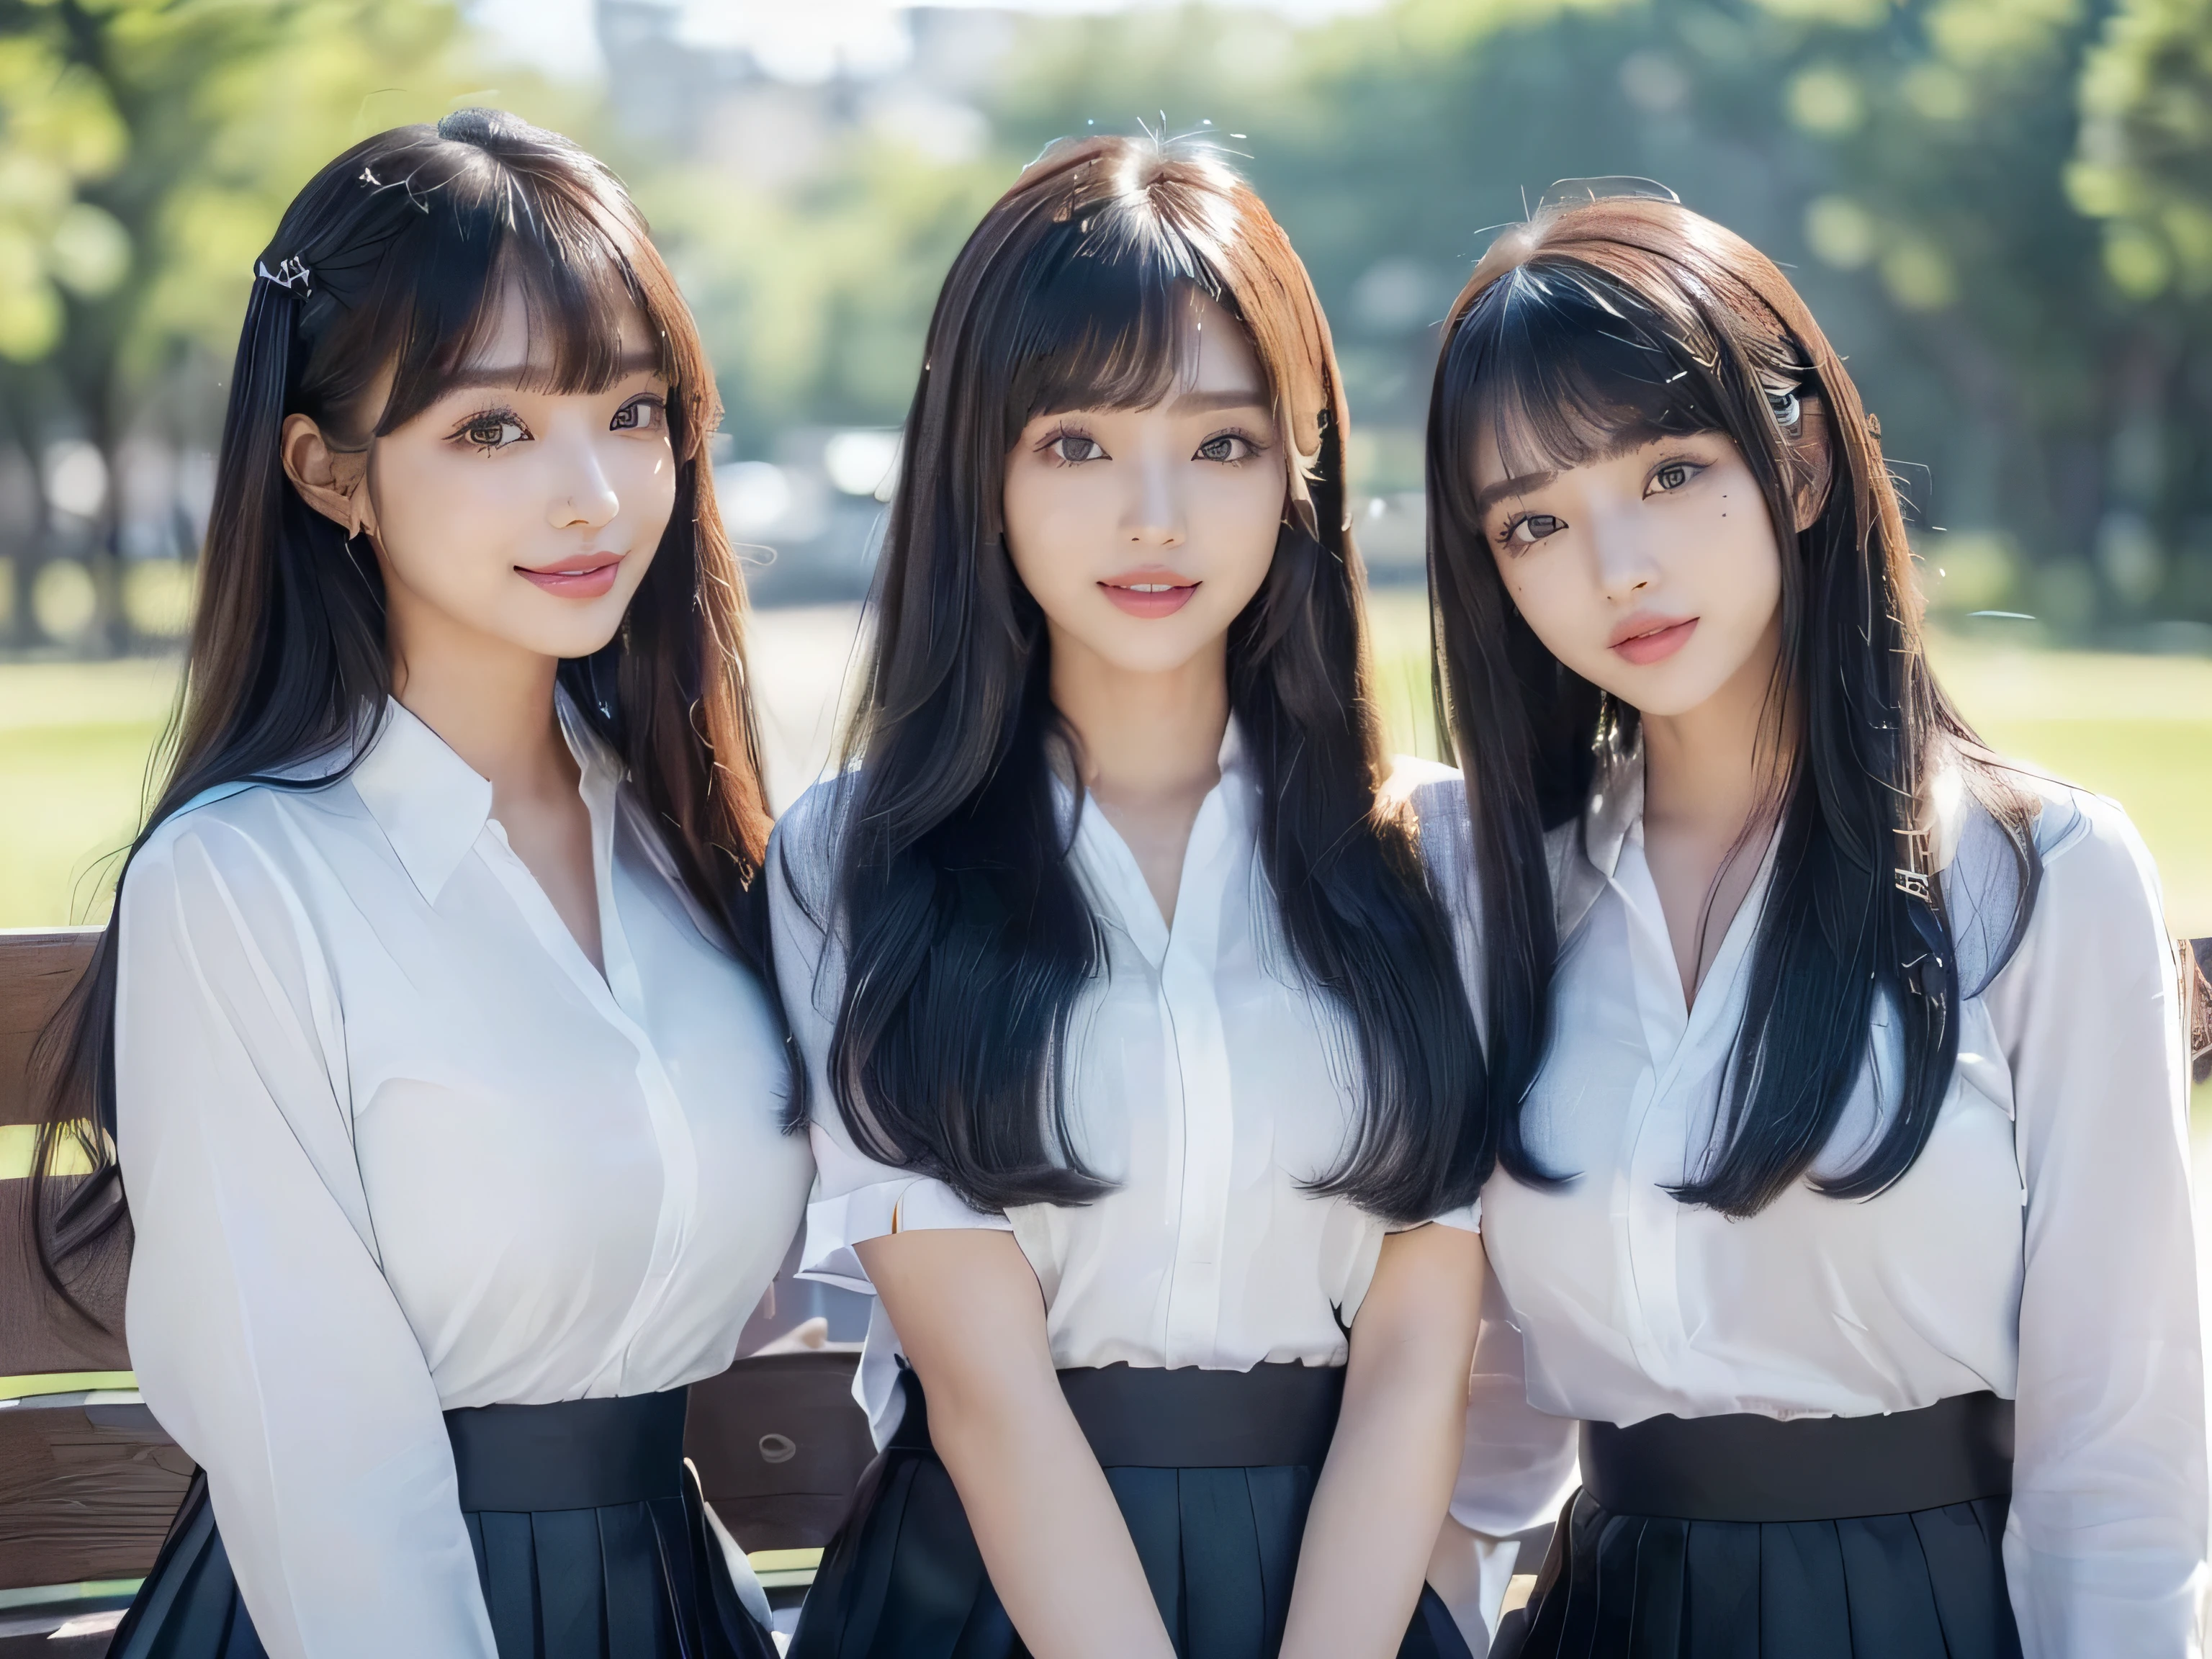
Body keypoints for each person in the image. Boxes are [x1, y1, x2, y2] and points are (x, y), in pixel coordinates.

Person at [27, 110, 806, 1659]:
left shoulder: (688, 848)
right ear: (328, 472)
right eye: (493, 430)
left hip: (666, 1605)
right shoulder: (246, 884)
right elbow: (312, 1446)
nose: (591, 493)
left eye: (633, 412)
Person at [1420, 192, 2206, 1656]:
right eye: (1535, 519)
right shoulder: (1497, 885)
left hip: (1927, 1615)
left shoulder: (2039, 876)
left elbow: (2122, 1436)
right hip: (1611, 1618)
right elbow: (1489, 1416)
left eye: (1667, 472)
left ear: (1797, 463)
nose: (1619, 566)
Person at [770, 134, 1493, 1659]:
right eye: (1079, 444)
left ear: (1300, 470)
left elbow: (1419, 1361)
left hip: (1336, 1603)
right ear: (983, 468)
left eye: (1222, 445)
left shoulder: (1444, 856)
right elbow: (983, 1394)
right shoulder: (858, 860)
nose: (1154, 516)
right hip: (988, 1598)